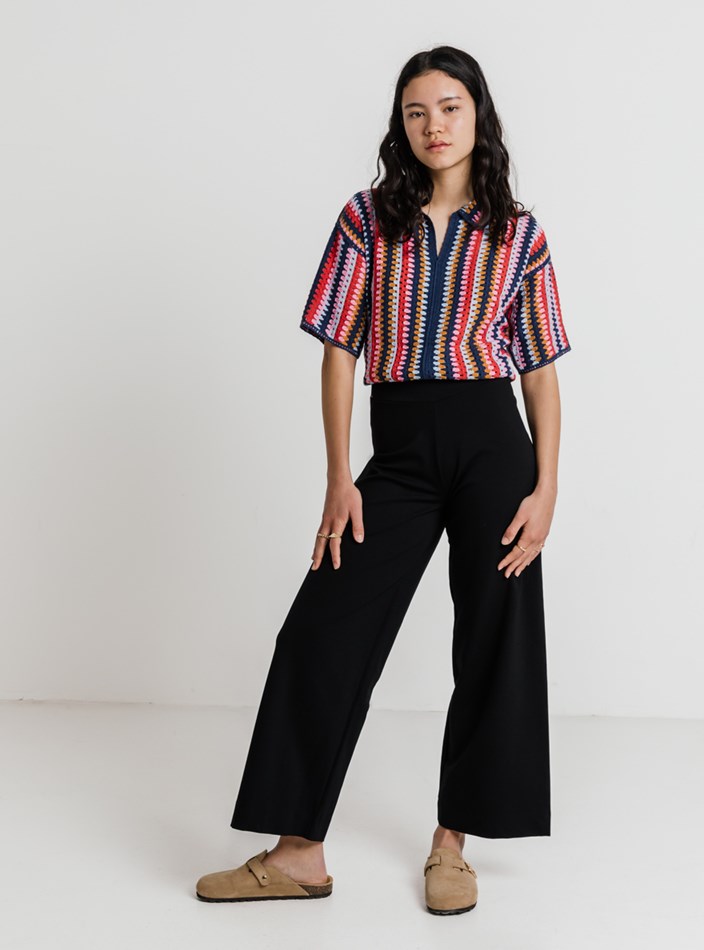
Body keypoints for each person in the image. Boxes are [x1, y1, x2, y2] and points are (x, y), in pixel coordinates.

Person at [195, 44, 571, 915]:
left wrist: (547, 486)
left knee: (495, 640)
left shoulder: (519, 231)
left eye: (449, 107)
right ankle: (298, 853)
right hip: (396, 446)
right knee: (321, 631)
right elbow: (338, 349)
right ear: (401, 126)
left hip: (493, 441)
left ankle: (453, 844)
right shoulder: (368, 219)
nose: (434, 125)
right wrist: (340, 476)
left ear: (479, 115)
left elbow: (541, 370)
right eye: (416, 112)